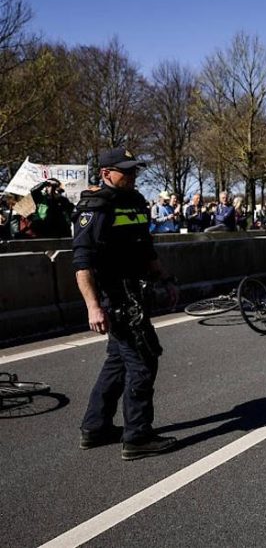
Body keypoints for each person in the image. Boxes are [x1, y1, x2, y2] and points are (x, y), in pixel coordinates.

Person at [72, 147, 178, 460]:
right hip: (115, 296)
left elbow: (145, 249)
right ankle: (137, 436)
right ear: (105, 173)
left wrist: (165, 280)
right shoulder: (95, 206)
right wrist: (94, 306)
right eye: (125, 171)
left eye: (134, 171)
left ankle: (95, 427)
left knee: (117, 361)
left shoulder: (135, 201)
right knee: (144, 360)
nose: (132, 176)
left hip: (136, 290)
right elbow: (82, 263)